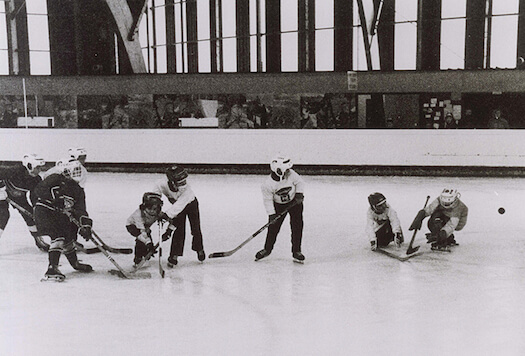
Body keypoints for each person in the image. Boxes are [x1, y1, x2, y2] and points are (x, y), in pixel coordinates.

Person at [34, 160, 93, 281]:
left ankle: (75, 264)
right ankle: (52, 268)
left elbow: (81, 210)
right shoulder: (55, 178)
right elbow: (39, 190)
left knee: (68, 238)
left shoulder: (79, 191)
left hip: (60, 216)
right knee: (58, 236)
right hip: (44, 211)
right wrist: (56, 200)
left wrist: (86, 226)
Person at [255, 155, 305, 263]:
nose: (288, 171)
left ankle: (297, 251)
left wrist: (299, 194)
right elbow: (268, 200)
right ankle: (267, 249)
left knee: (297, 226)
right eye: (286, 169)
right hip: (278, 206)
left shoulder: (291, 174)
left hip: (294, 203)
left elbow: (299, 182)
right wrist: (271, 214)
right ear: (278, 170)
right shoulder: (267, 185)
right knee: (273, 228)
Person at [152, 165, 205, 267]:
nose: (184, 185)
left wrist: (165, 216)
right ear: (172, 182)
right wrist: (157, 207)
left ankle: (199, 249)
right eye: (181, 183)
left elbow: (178, 207)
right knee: (179, 230)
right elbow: (156, 193)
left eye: (185, 181)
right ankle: (174, 255)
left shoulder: (187, 192)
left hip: (191, 205)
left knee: (195, 229)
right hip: (177, 207)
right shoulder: (162, 184)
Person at [0, 153, 49, 251]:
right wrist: (1, 187)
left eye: (40, 168)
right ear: (29, 166)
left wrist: (37, 209)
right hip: (2, 193)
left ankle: (38, 241)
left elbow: (34, 197)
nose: (39, 170)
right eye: (37, 167)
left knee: (31, 215)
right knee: (3, 215)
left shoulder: (37, 180)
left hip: (18, 198)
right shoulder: (15, 170)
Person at [126, 192, 164, 267]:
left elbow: (168, 217)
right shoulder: (138, 215)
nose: (152, 211)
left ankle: (146, 256)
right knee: (141, 240)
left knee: (148, 241)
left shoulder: (158, 213)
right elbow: (143, 232)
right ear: (145, 206)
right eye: (149, 208)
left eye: (155, 209)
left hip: (145, 227)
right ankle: (138, 259)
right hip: (133, 226)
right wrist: (148, 243)